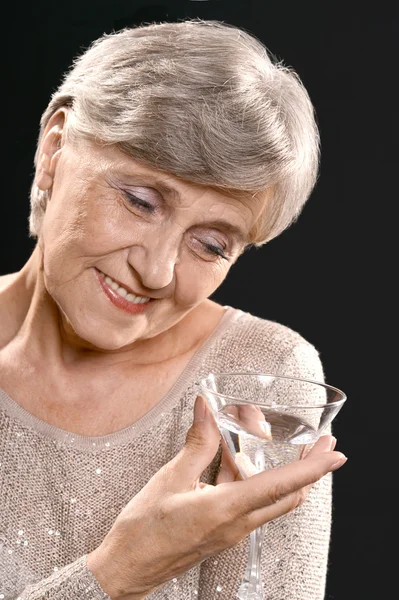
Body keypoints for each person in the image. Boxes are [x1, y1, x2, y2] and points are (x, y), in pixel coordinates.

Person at [0, 17, 347, 600]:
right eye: (140, 202)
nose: (157, 272)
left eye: (211, 244)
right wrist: (119, 572)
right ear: (55, 147)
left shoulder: (261, 379)